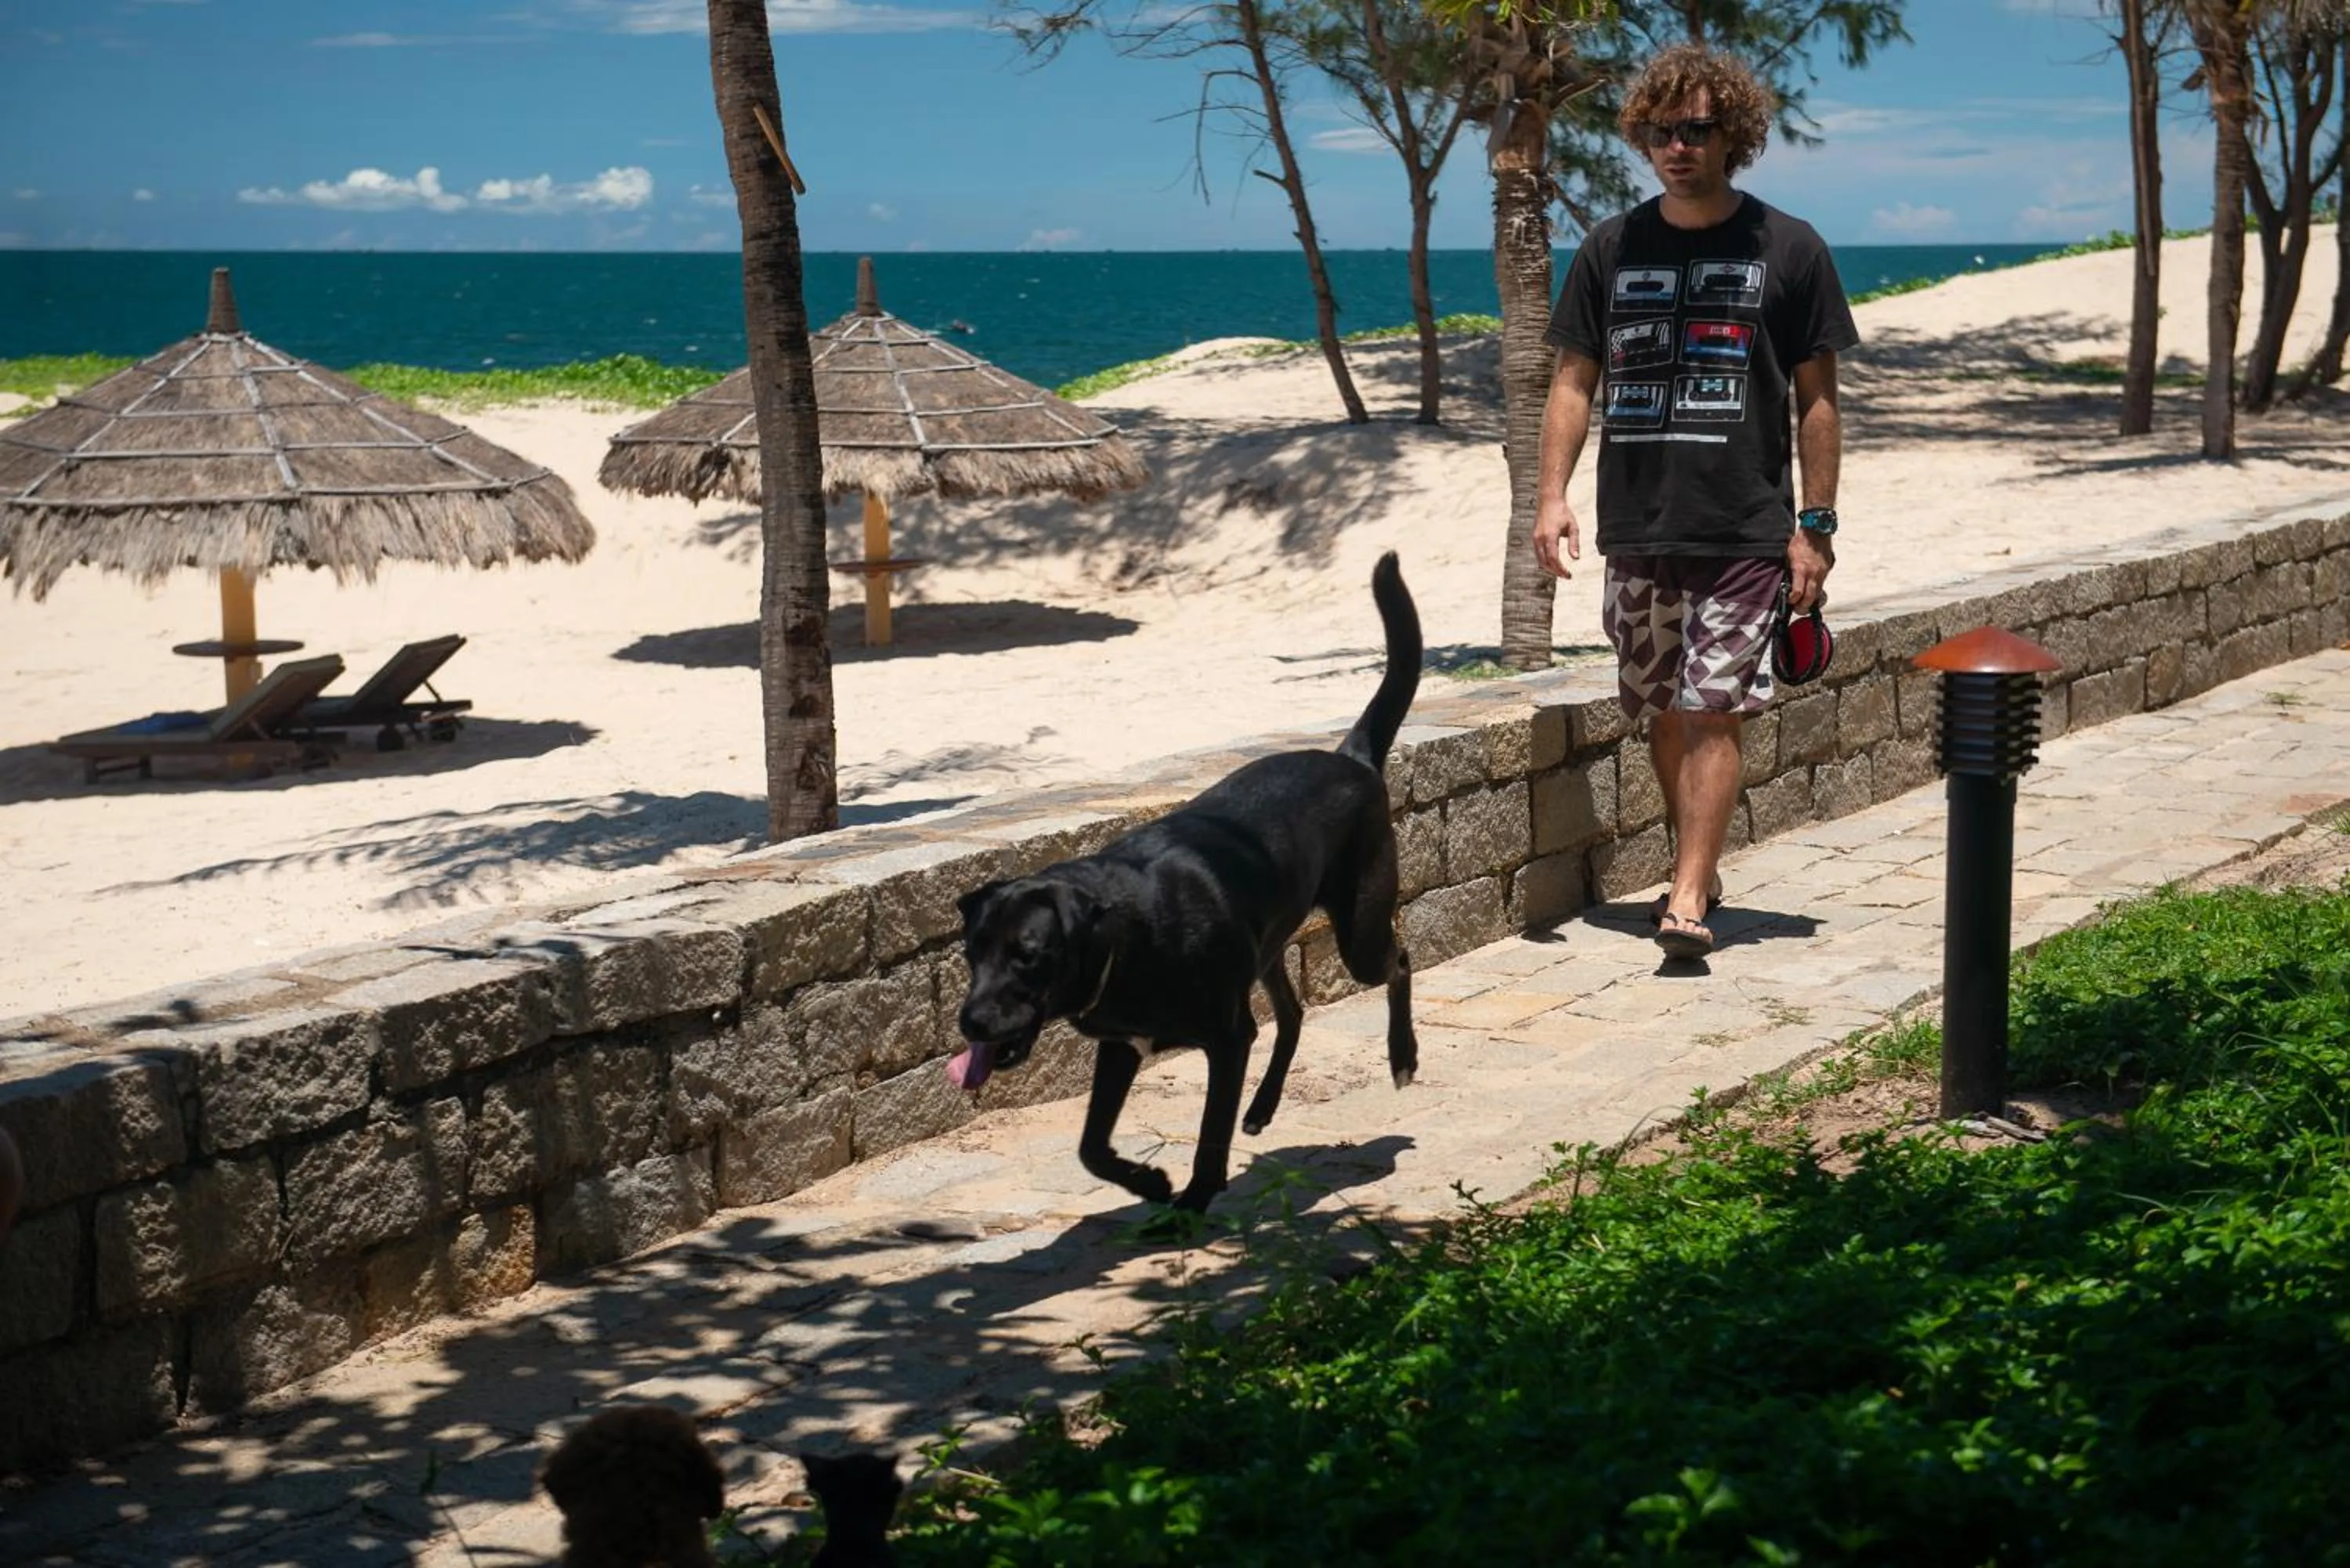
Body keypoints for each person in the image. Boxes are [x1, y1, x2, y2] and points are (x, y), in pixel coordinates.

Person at [1532, 42, 1858, 962]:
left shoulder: (1788, 247)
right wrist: (1552, 498)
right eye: (1661, 131)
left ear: (1735, 136)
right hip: (1638, 527)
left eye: (1698, 129)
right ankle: (1697, 862)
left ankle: (1684, 896)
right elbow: (1572, 381)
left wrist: (1816, 528)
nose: (1678, 146)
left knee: (1714, 707)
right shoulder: (1610, 247)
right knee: (1663, 709)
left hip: (1745, 525)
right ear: (1643, 137)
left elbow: (1818, 400)